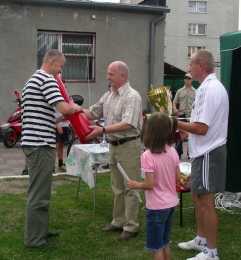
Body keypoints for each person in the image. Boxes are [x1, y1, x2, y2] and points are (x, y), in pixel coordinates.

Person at [21, 49, 81, 249]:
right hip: (40, 144)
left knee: (41, 190)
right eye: (61, 67)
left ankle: (40, 230)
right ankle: (34, 240)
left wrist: (63, 117)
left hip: (34, 142)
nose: (60, 72)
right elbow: (65, 107)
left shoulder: (32, 80)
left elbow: (48, 115)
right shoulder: (47, 80)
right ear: (53, 62)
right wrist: (76, 109)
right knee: (39, 194)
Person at [177, 50, 229, 260]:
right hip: (202, 152)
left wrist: (173, 123)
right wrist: (184, 128)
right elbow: (197, 122)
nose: (188, 69)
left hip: (209, 151)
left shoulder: (211, 89)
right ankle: (201, 240)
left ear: (200, 66)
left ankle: (212, 252)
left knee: (206, 203)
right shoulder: (204, 88)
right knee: (197, 198)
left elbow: (202, 128)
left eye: (190, 65)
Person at [83, 61, 143, 241]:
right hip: (113, 146)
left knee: (130, 187)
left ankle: (131, 226)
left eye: (111, 74)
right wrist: (73, 109)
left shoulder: (132, 96)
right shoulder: (109, 95)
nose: (107, 77)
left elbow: (128, 123)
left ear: (123, 76)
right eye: (108, 74)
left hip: (128, 146)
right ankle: (118, 221)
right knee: (117, 187)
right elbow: (92, 113)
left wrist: (102, 130)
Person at [127, 112, 181, 260]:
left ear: (149, 132)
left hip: (157, 207)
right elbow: (177, 177)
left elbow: (150, 184)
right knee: (165, 242)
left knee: (156, 246)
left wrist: (136, 184)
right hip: (171, 204)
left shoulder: (147, 156)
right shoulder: (173, 152)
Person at [172, 73, 196, 159]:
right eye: (185, 78)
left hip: (191, 116)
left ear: (192, 80)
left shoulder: (195, 92)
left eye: (189, 78)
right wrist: (175, 109)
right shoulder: (179, 91)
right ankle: (178, 154)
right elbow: (174, 102)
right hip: (181, 115)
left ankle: (191, 154)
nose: (187, 80)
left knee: (192, 136)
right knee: (179, 135)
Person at [55, 79, 70, 172]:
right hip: (57, 125)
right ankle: (51, 166)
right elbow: (51, 113)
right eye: (63, 87)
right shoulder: (55, 98)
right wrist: (57, 125)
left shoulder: (66, 97)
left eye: (66, 88)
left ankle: (60, 164)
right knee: (54, 146)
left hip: (65, 125)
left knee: (61, 145)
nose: (65, 89)